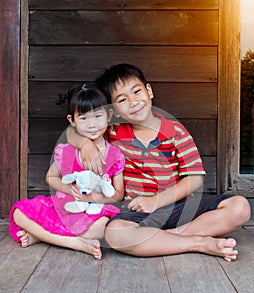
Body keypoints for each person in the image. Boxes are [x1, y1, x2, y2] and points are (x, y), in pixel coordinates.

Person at [67, 63, 251, 262]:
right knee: (115, 233)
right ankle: (199, 242)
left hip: (178, 206)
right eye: (122, 99)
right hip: (136, 212)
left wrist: (156, 201)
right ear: (115, 111)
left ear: (149, 91)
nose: (133, 101)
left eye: (137, 91)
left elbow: (194, 179)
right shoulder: (113, 131)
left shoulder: (176, 131)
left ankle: (168, 239)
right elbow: (73, 131)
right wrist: (86, 144)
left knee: (240, 206)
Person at [8, 83, 125, 259]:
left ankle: (40, 236)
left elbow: (118, 195)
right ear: (72, 120)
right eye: (83, 118)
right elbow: (51, 177)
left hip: (95, 210)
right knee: (18, 213)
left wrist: (92, 198)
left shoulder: (115, 155)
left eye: (98, 116)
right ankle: (76, 243)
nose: (91, 124)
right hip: (65, 206)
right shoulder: (67, 150)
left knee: (99, 229)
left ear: (108, 116)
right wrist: (69, 190)